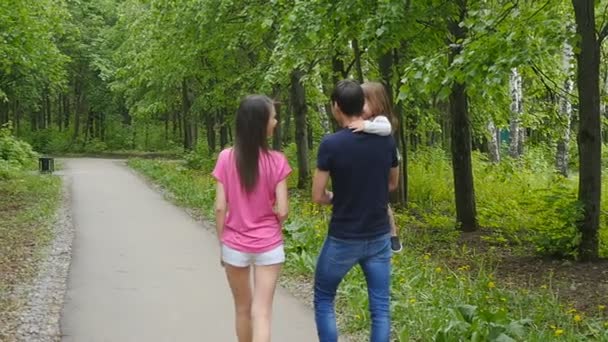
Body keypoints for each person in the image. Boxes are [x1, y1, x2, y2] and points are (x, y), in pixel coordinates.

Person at [312, 80, 399, 342]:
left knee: (325, 297)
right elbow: (392, 184)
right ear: (361, 104)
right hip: (379, 236)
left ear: (336, 106)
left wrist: (338, 198)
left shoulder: (331, 144)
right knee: (380, 309)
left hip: (344, 237)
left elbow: (318, 195)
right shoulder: (386, 141)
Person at [212, 95, 292, 342]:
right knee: (262, 312)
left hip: (234, 244)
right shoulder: (277, 161)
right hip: (269, 245)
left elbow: (219, 207)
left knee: (242, 309)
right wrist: (272, 229)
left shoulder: (226, 157)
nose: (276, 122)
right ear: (261, 124)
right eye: (273, 117)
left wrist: (223, 244)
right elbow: (283, 209)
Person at [347, 81, 403, 253]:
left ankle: (393, 234)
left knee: (383, 202)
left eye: (364, 102)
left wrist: (365, 126)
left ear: (377, 103)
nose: (360, 107)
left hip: (387, 160)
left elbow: (385, 129)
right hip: (372, 163)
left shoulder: (379, 120)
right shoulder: (364, 120)